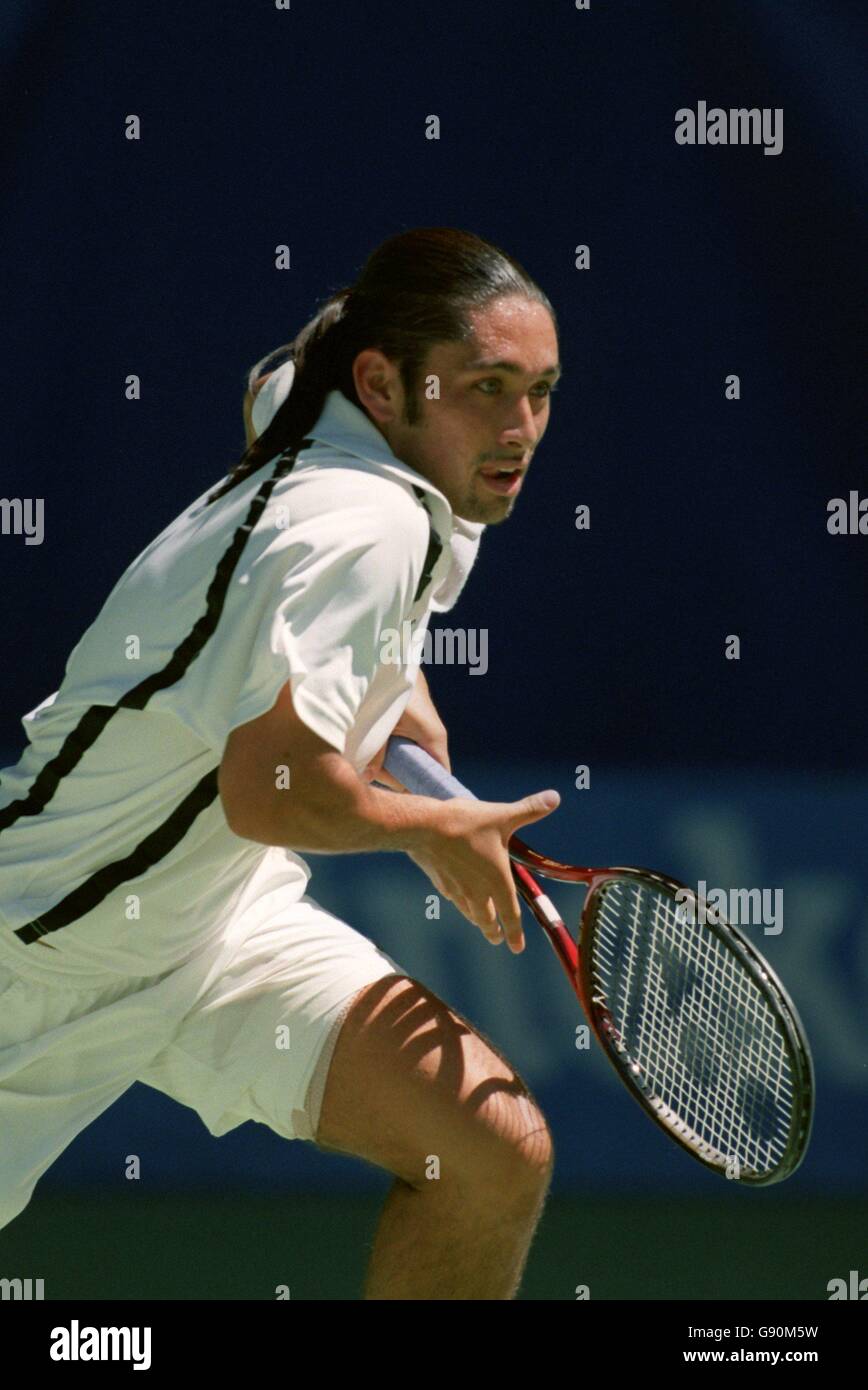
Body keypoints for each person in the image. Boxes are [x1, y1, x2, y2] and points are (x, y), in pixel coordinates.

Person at [0, 226, 563, 1299]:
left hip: (218, 921)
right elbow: (274, 788)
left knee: (490, 1157)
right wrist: (436, 827)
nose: (519, 427)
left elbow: (275, 391)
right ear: (382, 382)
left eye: (539, 389)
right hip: (38, 949)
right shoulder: (367, 523)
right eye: (487, 386)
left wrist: (395, 686)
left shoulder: (342, 424)